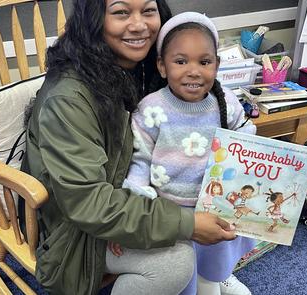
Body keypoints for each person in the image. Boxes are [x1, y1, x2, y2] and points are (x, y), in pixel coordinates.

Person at [19, 1, 240, 295]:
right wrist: (186, 223)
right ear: (96, 19)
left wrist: (287, 174)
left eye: (148, 11)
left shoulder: (145, 67)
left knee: (220, 214)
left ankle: (209, 277)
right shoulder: (69, 98)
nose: (139, 25)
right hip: (79, 231)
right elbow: (89, 204)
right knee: (175, 262)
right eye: (121, 12)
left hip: (137, 198)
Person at [111, 12, 256, 295]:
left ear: (216, 64)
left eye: (204, 62)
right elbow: (139, 161)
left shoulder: (225, 100)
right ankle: (201, 282)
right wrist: (129, 216)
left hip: (217, 199)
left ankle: (216, 277)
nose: (194, 71)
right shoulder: (151, 109)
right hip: (171, 208)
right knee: (185, 266)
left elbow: (246, 136)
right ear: (162, 67)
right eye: (181, 61)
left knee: (218, 251)